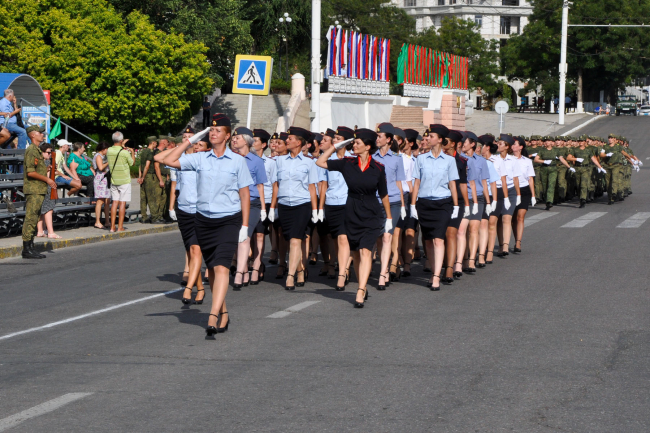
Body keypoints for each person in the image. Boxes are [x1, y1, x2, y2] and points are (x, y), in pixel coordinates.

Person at [164, 113, 253, 337]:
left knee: (222, 267)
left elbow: (244, 194)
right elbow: (169, 160)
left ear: (227, 135)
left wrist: (244, 226)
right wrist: (191, 140)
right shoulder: (200, 158)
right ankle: (223, 312)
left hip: (229, 220)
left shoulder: (238, 161)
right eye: (210, 130)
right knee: (212, 268)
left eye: (217, 130)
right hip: (203, 221)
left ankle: (212, 315)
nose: (213, 133)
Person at [316, 128, 391, 308]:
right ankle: (361, 285)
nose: (354, 145)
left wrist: (388, 217)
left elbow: (383, 194)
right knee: (356, 253)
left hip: (372, 213)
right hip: (351, 212)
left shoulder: (378, 167)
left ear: (368, 146)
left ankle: (361, 289)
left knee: (366, 251)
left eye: (358, 143)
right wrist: (335, 146)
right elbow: (320, 162)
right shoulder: (347, 163)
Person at [155, 136, 209, 305]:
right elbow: (158, 157)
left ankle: (189, 289)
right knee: (191, 252)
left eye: (201, 144)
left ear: (208, 149)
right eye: (195, 143)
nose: (197, 146)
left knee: (196, 250)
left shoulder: (208, 162)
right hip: (184, 210)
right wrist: (184, 145)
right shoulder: (183, 160)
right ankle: (200, 288)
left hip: (200, 211)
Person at [410, 124, 459, 291]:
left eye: (431, 136)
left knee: (439, 239)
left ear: (439, 139)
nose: (428, 139)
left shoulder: (450, 160)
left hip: (443, 203)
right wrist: (413, 204)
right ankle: (433, 270)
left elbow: (452, 184)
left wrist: (456, 205)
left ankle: (437, 275)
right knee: (429, 240)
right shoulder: (421, 159)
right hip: (424, 203)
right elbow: (416, 183)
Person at [269, 127, 319, 291]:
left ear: (298, 142)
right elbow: (276, 186)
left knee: (296, 239)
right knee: (290, 238)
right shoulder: (279, 161)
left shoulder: (309, 162)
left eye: (290, 139)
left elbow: (312, 188)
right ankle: (299, 270)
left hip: (302, 204)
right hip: (284, 205)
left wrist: (315, 210)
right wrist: (273, 207)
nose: (287, 141)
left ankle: (290, 275)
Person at [230, 127, 267, 289]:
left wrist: (264, 208)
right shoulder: (230, 158)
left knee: (244, 236)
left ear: (246, 141)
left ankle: (239, 272)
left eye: (237, 137)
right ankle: (244, 270)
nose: (234, 140)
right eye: (233, 138)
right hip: (234, 203)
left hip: (252, 203)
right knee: (236, 237)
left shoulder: (256, 161)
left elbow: (260, 186)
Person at [372, 123, 406, 290]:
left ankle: (383, 272)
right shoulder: (372, 157)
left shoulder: (397, 159)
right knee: (379, 238)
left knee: (387, 236)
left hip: (393, 201)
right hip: (376, 202)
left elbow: (399, 182)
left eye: (380, 136)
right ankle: (384, 266)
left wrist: (403, 205)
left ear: (388, 140)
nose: (377, 139)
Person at [321, 127, 354, 290]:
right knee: (336, 239)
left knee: (343, 238)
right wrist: (320, 208)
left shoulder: (353, 159)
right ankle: (343, 265)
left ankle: (342, 272)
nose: (334, 140)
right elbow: (324, 185)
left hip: (348, 203)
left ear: (346, 142)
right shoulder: (330, 159)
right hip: (332, 203)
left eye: (338, 138)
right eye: (334, 138)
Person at [21, 125, 55, 259]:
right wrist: (47, 179)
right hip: (33, 189)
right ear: (33, 135)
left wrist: (47, 170)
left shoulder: (37, 150)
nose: (42, 134)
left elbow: (36, 169)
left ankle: (30, 247)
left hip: (38, 189)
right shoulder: (31, 150)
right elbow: (30, 172)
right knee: (31, 218)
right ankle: (26, 248)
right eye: (40, 133)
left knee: (34, 218)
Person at [460, 131, 490, 272]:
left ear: (472, 144)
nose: (462, 145)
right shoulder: (459, 158)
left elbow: (484, 182)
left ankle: (472, 259)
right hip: (463, 197)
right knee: (463, 230)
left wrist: (489, 202)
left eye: (465, 142)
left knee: (473, 229)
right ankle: (464, 258)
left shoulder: (481, 161)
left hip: (477, 197)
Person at [442, 130, 468, 283]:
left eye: (446, 141)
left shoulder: (461, 161)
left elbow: (463, 184)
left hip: (457, 201)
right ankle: (444, 262)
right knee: (441, 235)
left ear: (453, 144)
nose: (443, 143)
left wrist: (468, 204)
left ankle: (449, 268)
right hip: (441, 200)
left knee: (451, 233)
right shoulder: (439, 159)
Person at [252, 128, 274, 284]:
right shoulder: (246, 160)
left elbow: (274, 185)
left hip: (264, 201)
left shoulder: (270, 163)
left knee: (259, 234)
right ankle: (250, 261)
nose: (252, 143)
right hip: (250, 200)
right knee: (249, 235)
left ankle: (257, 264)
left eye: (255, 141)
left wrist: (272, 207)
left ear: (264, 144)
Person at [511, 137, 535, 253]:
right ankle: (516, 238)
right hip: (511, 190)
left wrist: (533, 195)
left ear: (521, 147)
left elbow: (530, 178)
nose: (512, 146)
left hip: (524, 190)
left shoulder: (527, 161)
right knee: (513, 218)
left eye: (515, 144)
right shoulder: (508, 160)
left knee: (520, 217)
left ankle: (518, 242)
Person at [107, 131, 135, 233]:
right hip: (124, 180)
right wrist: (132, 152)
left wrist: (122, 145)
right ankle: (120, 226)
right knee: (122, 203)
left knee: (115, 202)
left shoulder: (109, 150)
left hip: (114, 179)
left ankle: (112, 227)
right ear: (121, 140)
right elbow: (132, 163)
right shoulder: (124, 152)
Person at [400, 129, 419, 277]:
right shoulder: (398, 158)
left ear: (411, 143)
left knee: (410, 231)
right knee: (398, 232)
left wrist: (414, 203)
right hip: (401, 196)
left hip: (413, 198)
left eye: (405, 140)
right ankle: (398, 260)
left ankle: (407, 263)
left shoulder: (416, 161)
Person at [35, 143, 61, 239]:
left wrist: (53, 169)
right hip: (46, 187)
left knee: (41, 210)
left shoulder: (39, 161)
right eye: (48, 152)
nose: (50, 155)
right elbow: (45, 177)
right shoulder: (44, 162)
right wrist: (49, 169)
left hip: (40, 187)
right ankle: (50, 232)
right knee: (48, 210)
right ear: (42, 152)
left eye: (51, 153)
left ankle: (40, 231)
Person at [138, 136, 157, 223]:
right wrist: (143, 177)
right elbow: (147, 166)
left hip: (143, 175)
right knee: (151, 196)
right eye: (155, 143)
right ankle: (154, 217)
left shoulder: (144, 151)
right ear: (153, 143)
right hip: (148, 175)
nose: (156, 144)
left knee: (143, 197)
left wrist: (140, 176)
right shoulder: (150, 152)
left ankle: (144, 216)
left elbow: (140, 165)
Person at [92, 141, 111, 229]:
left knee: (107, 200)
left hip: (106, 179)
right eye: (107, 149)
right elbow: (100, 167)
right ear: (103, 149)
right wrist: (108, 162)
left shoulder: (104, 156)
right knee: (100, 201)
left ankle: (107, 221)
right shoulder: (98, 156)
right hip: (100, 180)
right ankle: (97, 221)